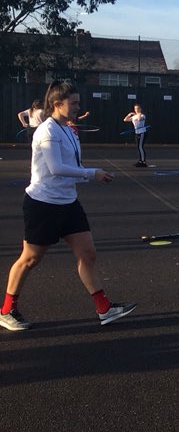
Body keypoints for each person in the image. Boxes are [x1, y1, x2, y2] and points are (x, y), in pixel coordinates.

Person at [1, 82, 136, 331]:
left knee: (88, 254)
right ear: (57, 104)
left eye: (77, 102)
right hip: (43, 205)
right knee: (30, 259)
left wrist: (88, 174)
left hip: (68, 203)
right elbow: (56, 168)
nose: (78, 107)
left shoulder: (68, 130)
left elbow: (71, 166)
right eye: (73, 103)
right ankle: (7, 309)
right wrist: (92, 173)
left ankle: (104, 308)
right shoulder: (47, 131)